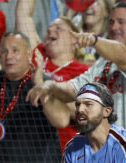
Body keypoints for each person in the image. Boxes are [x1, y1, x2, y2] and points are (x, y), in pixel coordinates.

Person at [27, 2, 126, 163]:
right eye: (111, 22)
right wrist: (50, 86)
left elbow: (123, 55)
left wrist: (94, 40)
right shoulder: (102, 64)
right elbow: (74, 89)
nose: (114, 27)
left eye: (121, 22)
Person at [15, 0, 90, 150]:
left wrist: (42, 84)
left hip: (63, 151)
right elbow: (23, 14)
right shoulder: (38, 54)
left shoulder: (84, 72)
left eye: (59, 28)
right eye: (49, 29)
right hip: (26, 143)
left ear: (74, 39)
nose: (50, 31)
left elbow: (81, 112)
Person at [0, 32, 59, 163]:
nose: (9, 56)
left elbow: (59, 119)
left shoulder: (42, 83)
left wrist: (39, 83)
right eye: (4, 51)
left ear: (28, 54)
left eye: (15, 50)